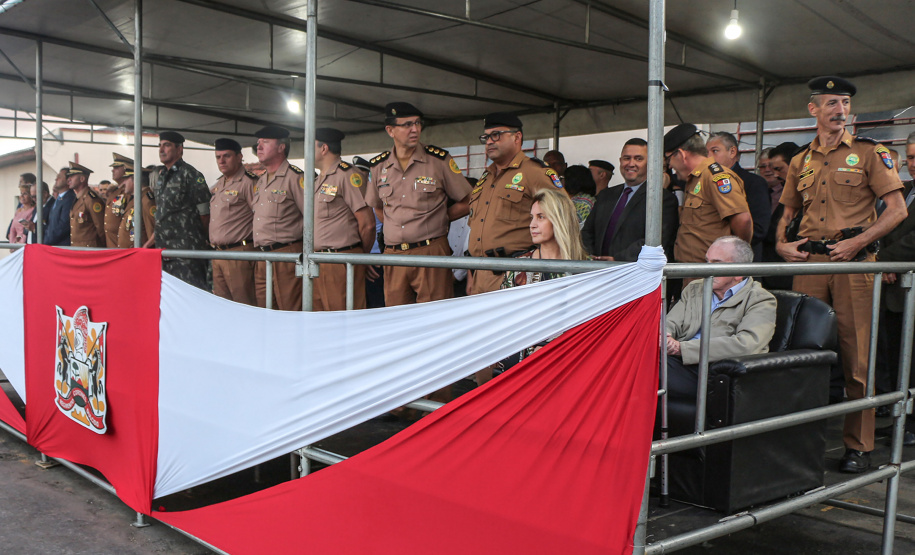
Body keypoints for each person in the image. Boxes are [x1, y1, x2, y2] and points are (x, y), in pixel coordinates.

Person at [776, 76, 907, 473]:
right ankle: (799, 440)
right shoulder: (800, 160)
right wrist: (782, 244)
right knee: (803, 353)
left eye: (845, 102)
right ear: (813, 109)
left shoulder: (871, 153)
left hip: (853, 264)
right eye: (831, 102)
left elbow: (897, 209)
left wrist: (858, 243)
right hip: (811, 264)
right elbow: (786, 214)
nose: (840, 110)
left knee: (856, 357)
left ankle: (858, 445)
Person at [364, 102, 471, 306]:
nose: (414, 129)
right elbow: (377, 207)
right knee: (396, 317)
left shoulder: (438, 160)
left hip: (430, 251)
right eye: (407, 125)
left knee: (434, 316)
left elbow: (468, 201)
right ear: (390, 130)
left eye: (417, 123)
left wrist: (439, 217)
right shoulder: (379, 166)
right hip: (394, 254)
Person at [665, 236, 777, 398]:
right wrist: (664, 335)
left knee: (645, 368)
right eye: (707, 262)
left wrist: (681, 349)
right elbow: (670, 322)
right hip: (679, 363)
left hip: (715, 372)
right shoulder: (695, 288)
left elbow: (747, 345)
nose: (707, 269)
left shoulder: (760, 299)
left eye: (716, 263)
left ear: (739, 272)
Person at [466, 112, 562, 295]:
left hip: (516, 273)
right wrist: (471, 274)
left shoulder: (535, 172)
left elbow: (562, 219)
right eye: (485, 137)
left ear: (517, 137)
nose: (489, 141)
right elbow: (476, 230)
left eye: (496, 135)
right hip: (480, 273)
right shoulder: (486, 178)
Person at [501, 188, 589, 360]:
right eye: (532, 217)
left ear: (559, 220)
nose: (532, 224)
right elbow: (506, 323)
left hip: (570, 361)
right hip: (522, 365)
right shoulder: (518, 267)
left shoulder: (587, 268)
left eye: (541, 217)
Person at [874, 131, 915, 443]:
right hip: (895, 291)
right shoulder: (906, 191)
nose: (913, 164)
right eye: (911, 157)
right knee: (899, 358)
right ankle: (903, 419)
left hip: (907, 285)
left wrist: (884, 260)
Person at [665, 123, 752, 264]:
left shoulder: (714, 177)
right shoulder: (695, 179)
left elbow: (742, 220)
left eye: (669, 159)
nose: (669, 166)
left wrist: (736, 261)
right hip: (695, 271)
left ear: (681, 155)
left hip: (711, 273)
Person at [582, 138, 679, 261]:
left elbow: (656, 240)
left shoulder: (662, 199)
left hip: (634, 273)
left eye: (638, 159)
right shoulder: (605, 195)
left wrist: (616, 260)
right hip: (598, 272)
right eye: (627, 158)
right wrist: (590, 257)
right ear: (620, 161)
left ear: (650, 163)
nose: (631, 163)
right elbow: (587, 232)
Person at [312, 127, 375, 311]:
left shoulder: (348, 175)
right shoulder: (318, 180)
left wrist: (360, 257)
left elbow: (368, 224)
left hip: (341, 261)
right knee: (321, 321)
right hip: (319, 261)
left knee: (343, 320)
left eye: (310, 146)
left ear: (323, 149)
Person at [252, 125, 305, 310]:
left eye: (265, 142)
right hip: (262, 256)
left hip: (286, 255)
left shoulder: (295, 178)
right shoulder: (261, 180)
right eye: (258, 143)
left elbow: (312, 218)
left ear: (281, 147)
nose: (259, 147)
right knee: (265, 312)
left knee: (289, 311)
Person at [152, 131, 212, 288]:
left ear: (179, 150)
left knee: (191, 297)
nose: (161, 149)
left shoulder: (190, 175)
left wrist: (197, 239)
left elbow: (205, 214)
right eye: (160, 145)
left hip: (187, 253)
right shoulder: (162, 176)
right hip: (165, 251)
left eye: (167, 145)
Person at [707, 131, 771, 261]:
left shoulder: (753, 183)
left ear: (732, 152)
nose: (709, 157)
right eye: (706, 153)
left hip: (741, 259)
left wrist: (722, 240)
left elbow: (758, 228)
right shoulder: (707, 181)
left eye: (715, 151)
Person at [209, 137, 258, 306]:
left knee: (243, 305)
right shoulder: (218, 184)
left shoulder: (248, 182)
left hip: (239, 252)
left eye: (226, 156)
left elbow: (260, 216)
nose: (221, 161)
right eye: (218, 157)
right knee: (223, 307)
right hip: (218, 254)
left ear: (239, 157)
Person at [760, 142, 800, 291]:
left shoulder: (808, 194)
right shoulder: (788, 195)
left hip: (794, 274)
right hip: (773, 272)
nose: (775, 174)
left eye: (779, 169)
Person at [66, 162, 105, 247]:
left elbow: (101, 227)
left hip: (89, 249)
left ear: (82, 179)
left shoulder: (91, 199)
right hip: (78, 248)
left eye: (72, 176)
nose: (69, 179)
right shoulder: (79, 198)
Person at [116, 167, 156, 249]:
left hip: (139, 254)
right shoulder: (136, 198)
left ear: (136, 180)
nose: (123, 183)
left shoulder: (146, 200)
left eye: (126, 179)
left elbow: (152, 231)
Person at [104, 153, 133, 248]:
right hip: (111, 243)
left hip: (121, 243)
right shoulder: (115, 191)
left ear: (125, 169)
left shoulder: (128, 193)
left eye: (116, 167)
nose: (113, 170)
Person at [43, 167, 77, 246]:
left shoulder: (70, 199)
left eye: (60, 177)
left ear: (68, 180)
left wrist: (48, 240)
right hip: (53, 244)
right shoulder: (59, 199)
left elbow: (63, 226)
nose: (56, 179)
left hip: (62, 245)